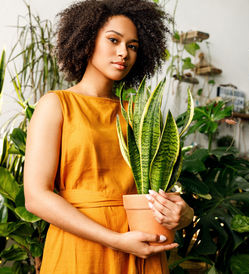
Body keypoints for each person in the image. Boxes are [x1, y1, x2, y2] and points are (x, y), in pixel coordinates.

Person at [23, 0, 195, 273]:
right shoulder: (56, 105)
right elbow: (35, 197)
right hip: (81, 249)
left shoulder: (138, 115)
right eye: (113, 40)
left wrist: (183, 215)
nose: (123, 52)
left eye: (133, 46)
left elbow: (154, 191)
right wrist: (117, 241)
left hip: (142, 249)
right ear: (87, 39)